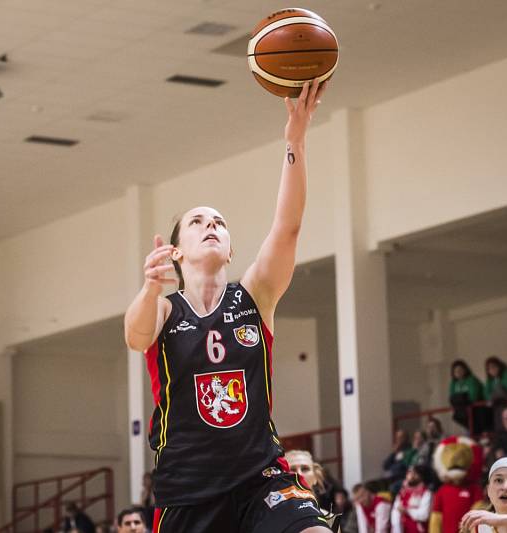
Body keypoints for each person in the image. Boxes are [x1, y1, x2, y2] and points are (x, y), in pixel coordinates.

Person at [124, 79, 330, 533]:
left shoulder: (255, 293)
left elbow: (288, 227)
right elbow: (135, 336)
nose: (210, 225)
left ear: (232, 249)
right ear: (176, 251)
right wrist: (148, 289)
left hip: (261, 476)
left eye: (219, 221)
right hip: (188, 489)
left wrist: (295, 141)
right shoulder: (164, 309)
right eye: (197, 222)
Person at [391, 465, 433, 533]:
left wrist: (407, 511)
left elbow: (424, 515)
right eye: (410, 472)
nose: (411, 475)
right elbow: (395, 512)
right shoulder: (402, 492)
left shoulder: (426, 493)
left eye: (415, 473)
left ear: (422, 476)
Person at [449, 360, 485, 433]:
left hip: (476, 412)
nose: (458, 372)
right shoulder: (454, 383)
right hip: (463, 413)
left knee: (475, 433)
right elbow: (451, 398)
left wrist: (461, 399)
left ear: (465, 370)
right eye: (456, 371)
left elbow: (473, 397)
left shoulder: (471, 380)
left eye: (460, 370)